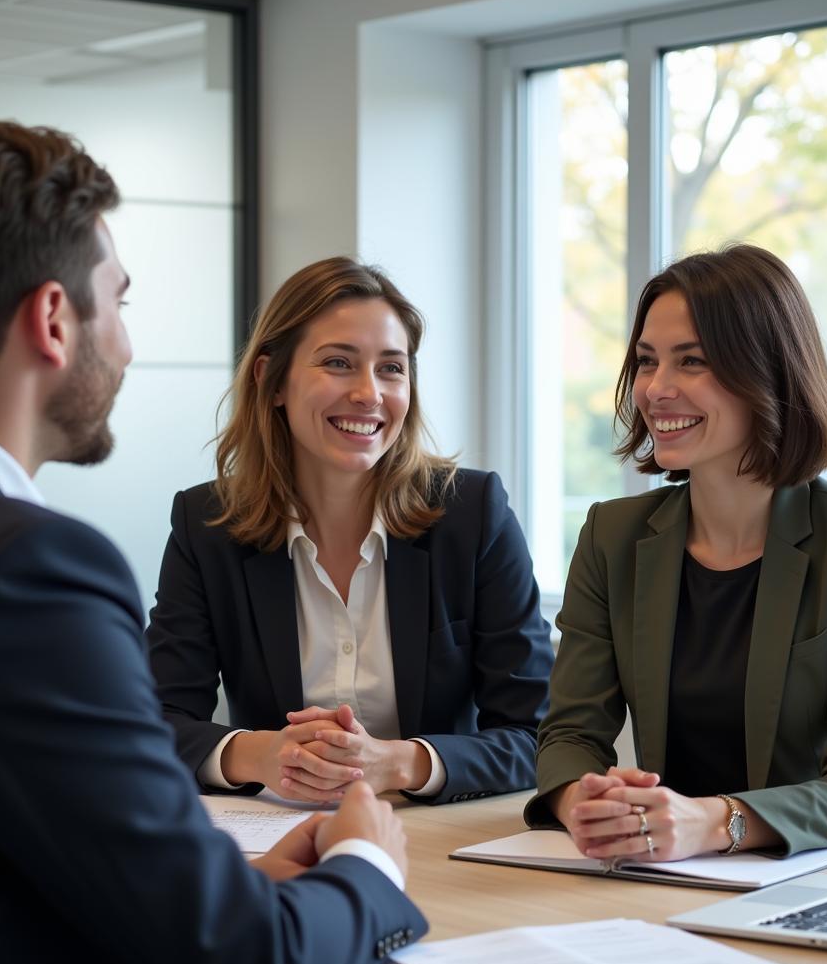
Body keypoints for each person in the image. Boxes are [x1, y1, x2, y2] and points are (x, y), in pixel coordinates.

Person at [0, 111, 426, 964]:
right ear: (54, 320)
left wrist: (227, 877)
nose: (130, 342)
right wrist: (368, 864)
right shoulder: (24, 570)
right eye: (123, 300)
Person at [526, 244, 827, 861]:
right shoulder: (612, 536)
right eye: (646, 361)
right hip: (679, 866)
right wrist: (584, 801)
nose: (656, 389)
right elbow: (571, 731)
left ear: (768, 371)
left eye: (693, 362)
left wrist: (718, 823)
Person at [147, 256, 552, 805]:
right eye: (338, 363)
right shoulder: (207, 526)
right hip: (282, 837)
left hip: (435, 835)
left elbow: (538, 735)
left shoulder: (473, 513)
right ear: (272, 382)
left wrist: (400, 762)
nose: (370, 393)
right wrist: (263, 755)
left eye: (392, 367)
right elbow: (158, 721)